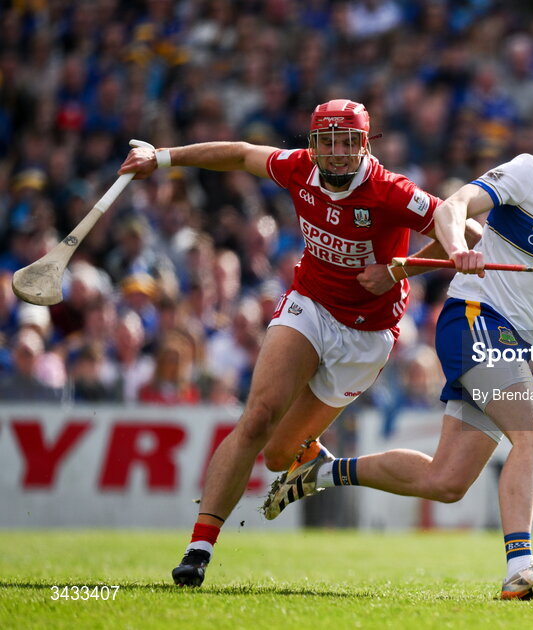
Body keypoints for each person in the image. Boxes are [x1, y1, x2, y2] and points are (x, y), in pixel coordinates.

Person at [262, 112, 533, 600]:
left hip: (514, 339)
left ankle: (321, 472)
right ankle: (519, 568)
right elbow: (453, 207)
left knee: (445, 480)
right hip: (473, 316)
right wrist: (456, 245)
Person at [118, 99, 481, 587]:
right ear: (313, 144)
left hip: (368, 335)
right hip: (309, 304)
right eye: (326, 142)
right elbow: (241, 153)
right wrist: (163, 157)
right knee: (258, 416)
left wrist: (405, 267)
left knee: (277, 455)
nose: (335, 153)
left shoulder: (391, 191)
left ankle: (315, 462)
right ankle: (199, 549)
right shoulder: (298, 168)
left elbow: (469, 228)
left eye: (347, 143)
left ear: (364, 146)